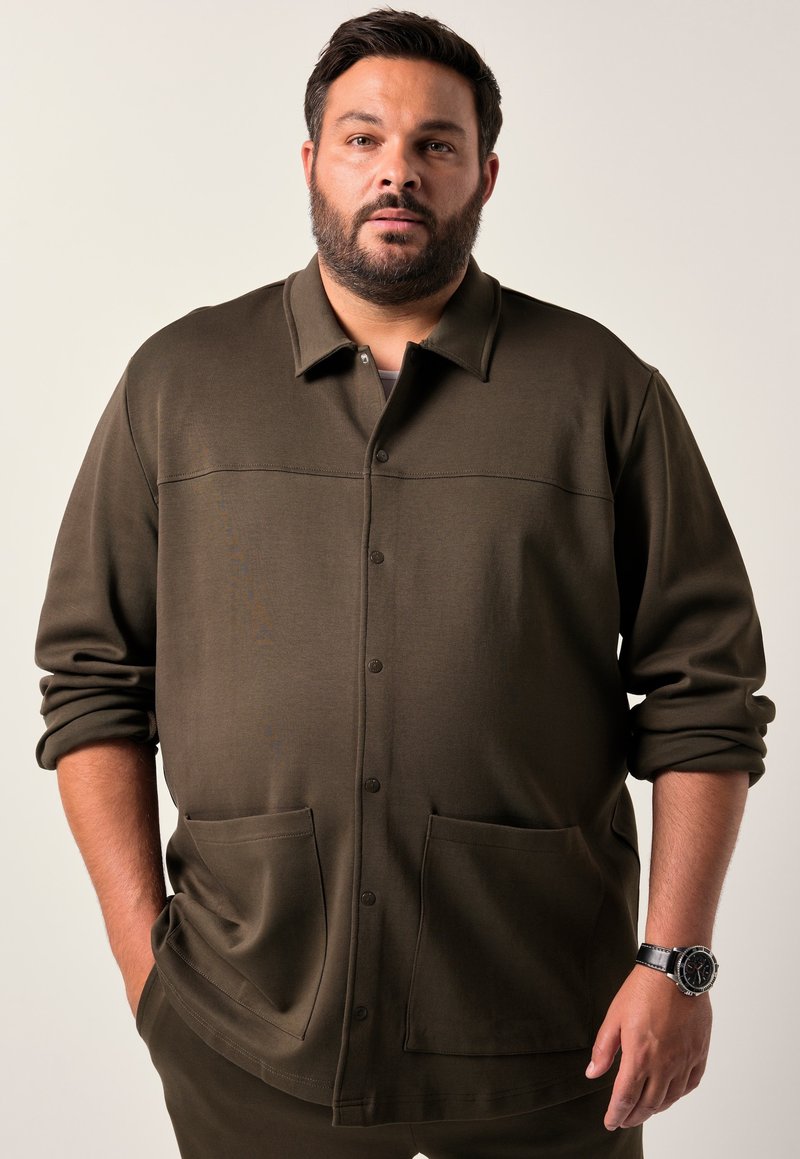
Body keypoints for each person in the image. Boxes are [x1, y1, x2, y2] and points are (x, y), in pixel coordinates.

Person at [34, 9, 775, 1158]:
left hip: (552, 1038)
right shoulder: (175, 385)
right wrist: (150, 976)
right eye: (362, 138)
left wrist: (673, 963)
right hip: (243, 1038)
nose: (397, 171)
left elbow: (704, 694)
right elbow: (91, 681)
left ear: (484, 174)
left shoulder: (602, 392)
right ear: (309, 162)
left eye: (435, 144)